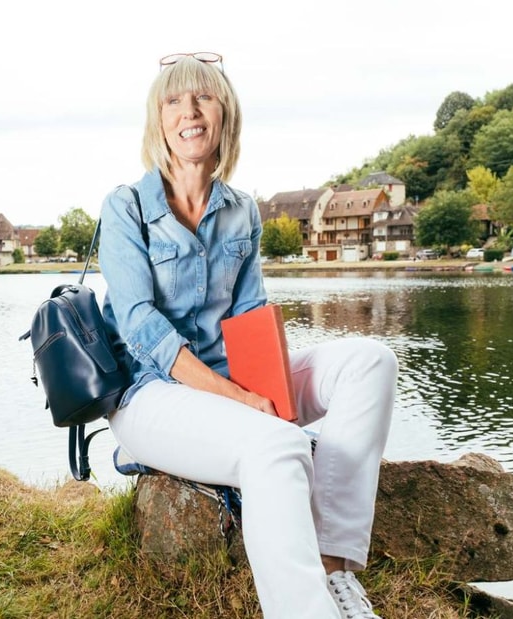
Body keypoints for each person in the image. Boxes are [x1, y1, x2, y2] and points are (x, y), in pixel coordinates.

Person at [98, 52, 397, 619]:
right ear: (157, 121)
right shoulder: (126, 207)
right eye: (172, 100)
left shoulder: (242, 212)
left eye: (203, 97)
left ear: (224, 113)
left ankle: (334, 570)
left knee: (371, 361)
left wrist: (272, 397)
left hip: (230, 382)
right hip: (148, 395)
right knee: (278, 445)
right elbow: (139, 325)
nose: (189, 111)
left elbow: (251, 319)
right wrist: (244, 404)